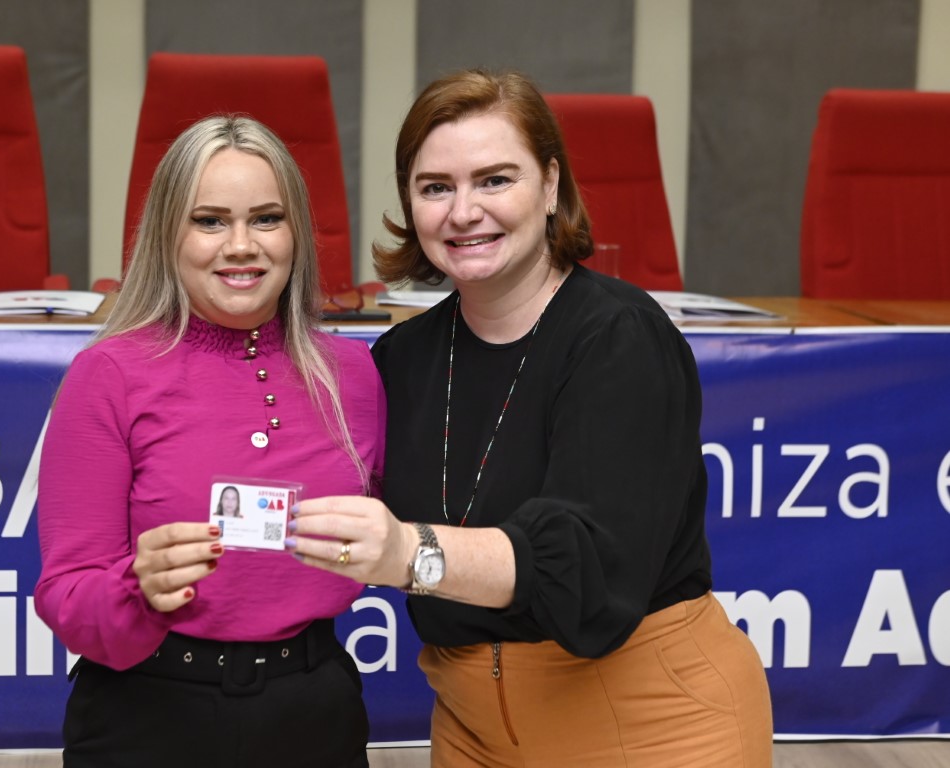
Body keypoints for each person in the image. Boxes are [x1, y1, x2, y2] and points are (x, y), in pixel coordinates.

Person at [287, 70, 773, 766]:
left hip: (653, 724)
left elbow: (586, 569)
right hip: (472, 728)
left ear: (550, 185)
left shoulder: (621, 337)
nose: (463, 211)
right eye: (435, 187)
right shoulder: (401, 358)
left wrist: (407, 553)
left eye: (494, 180)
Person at [35, 115, 384, 768]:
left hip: (315, 713)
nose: (241, 246)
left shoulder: (355, 375)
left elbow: (399, 544)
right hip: (146, 715)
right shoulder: (108, 374)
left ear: (297, 234)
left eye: (267, 219)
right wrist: (136, 587)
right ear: (169, 234)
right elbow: (66, 597)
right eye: (210, 221)